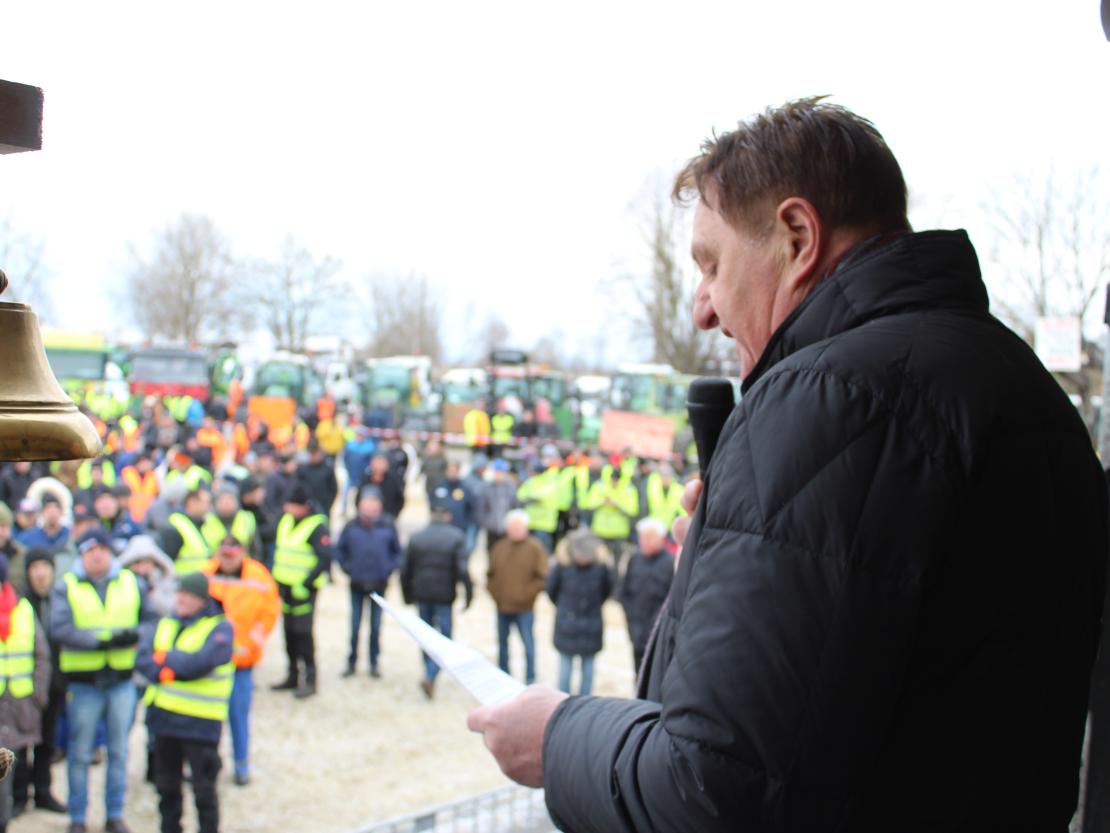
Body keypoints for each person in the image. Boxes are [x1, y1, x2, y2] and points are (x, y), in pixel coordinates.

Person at [466, 98, 1109, 831]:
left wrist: (556, 737)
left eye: (711, 264)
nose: (702, 309)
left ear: (798, 237)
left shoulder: (830, 393)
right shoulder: (1016, 381)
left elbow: (713, 791)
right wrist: (721, 578)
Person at [52, 527, 149, 833]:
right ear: (82, 555)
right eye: (90, 551)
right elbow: (60, 628)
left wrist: (135, 638)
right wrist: (102, 640)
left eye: (102, 550)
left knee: (119, 751)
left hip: (121, 680)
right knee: (80, 753)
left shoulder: (131, 582)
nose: (97, 556)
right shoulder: (66, 585)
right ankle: (78, 817)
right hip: (85, 682)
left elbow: (151, 620)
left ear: (110, 553)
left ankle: (114, 814)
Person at [136, 572, 233, 833]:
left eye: (188, 595)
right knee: (167, 790)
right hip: (164, 721)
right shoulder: (165, 622)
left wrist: (165, 662)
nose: (181, 600)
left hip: (200, 725)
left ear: (202, 599)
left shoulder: (220, 627)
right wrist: (169, 666)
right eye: (179, 594)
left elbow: (198, 663)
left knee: (204, 792)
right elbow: (143, 659)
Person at [201, 535, 279, 785]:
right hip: (211, 660)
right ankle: (206, 765)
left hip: (241, 660)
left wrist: (255, 640)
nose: (228, 561)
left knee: (238, 715)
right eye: (224, 555)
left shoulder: (258, 575)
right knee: (207, 717)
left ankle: (241, 764)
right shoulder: (204, 574)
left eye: (232, 556)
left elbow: (269, 612)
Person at [12, 548, 67, 816]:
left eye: (46, 565)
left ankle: (43, 791)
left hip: (54, 685)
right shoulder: (20, 602)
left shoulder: (61, 598)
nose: (41, 572)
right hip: (25, 687)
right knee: (21, 746)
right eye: (35, 567)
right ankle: (19, 796)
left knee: (47, 742)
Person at [0, 553, 52, 832]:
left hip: (18, 704)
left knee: (6, 775)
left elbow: (41, 656)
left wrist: (38, 696)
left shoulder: (22, 609)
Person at [400, 501, 472, 699]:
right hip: (444, 595)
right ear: (447, 516)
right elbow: (463, 570)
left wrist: (407, 595)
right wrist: (468, 594)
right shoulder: (456, 537)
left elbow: (404, 571)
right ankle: (431, 674)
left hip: (422, 593)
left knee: (425, 636)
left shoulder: (417, 537)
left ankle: (428, 672)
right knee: (445, 637)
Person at [270, 484, 332, 698]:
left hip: (304, 590)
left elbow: (324, 559)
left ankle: (310, 679)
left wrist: (306, 583)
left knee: (303, 634)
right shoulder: (286, 521)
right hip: (284, 588)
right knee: (288, 633)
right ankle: (292, 675)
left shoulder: (317, 526)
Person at [336, 491, 401, 678]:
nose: (369, 507)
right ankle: (351, 661)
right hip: (357, 582)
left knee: (375, 626)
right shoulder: (351, 525)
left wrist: (388, 569)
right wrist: (349, 568)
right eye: (366, 502)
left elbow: (397, 552)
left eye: (373, 502)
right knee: (355, 625)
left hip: (379, 584)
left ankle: (374, 662)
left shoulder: (387, 525)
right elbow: (340, 550)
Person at [545, 530, 613, 696]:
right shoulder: (562, 566)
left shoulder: (601, 568)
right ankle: (563, 701)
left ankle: (584, 703)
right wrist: (565, 609)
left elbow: (607, 590)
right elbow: (551, 590)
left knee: (588, 671)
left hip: (592, 624)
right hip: (567, 624)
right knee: (564, 671)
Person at [486, 510, 548, 685]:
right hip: (502, 605)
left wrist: (527, 595)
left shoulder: (535, 547)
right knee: (502, 644)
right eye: (512, 527)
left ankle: (530, 677)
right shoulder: (500, 547)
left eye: (519, 527)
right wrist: (495, 593)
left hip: (524, 607)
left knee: (528, 644)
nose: (516, 531)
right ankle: (503, 674)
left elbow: (543, 577)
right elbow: (490, 574)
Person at [616, 518, 674, 672]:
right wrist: (631, 615)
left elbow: (672, 599)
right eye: (642, 537)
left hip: (659, 631)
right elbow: (623, 591)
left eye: (649, 537)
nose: (644, 541)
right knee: (637, 672)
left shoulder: (670, 562)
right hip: (636, 627)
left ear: (661, 539)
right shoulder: (635, 558)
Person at [158, 489, 212, 576]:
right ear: (191, 502)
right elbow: (166, 561)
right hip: (180, 582)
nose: (208, 507)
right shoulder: (178, 525)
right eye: (206, 502)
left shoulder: (199, 525)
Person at [200, 486, 256, 553]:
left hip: (243, 562)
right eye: (222, 499)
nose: (226, 502)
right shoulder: (205, 519)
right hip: (214, 562)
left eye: (230, 498)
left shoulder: (246, 518)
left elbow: (255, 547)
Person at [480, 459, 518, 554]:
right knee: (491, 551)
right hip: (492, 526)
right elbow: (482, 507)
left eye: (501, 472)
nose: (499, 475)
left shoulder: (511, 486)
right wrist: (486, 522)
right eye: (497, 472)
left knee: (505, 552)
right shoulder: (487, 487)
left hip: (506, 526)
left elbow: (515, 505)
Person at [296, 439, 338, 519]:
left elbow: (333, 489)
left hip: (323, 507)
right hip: (306, 508)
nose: (315, 456)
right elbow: (298, 487)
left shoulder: (327, 469)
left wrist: (327, 504)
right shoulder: (303, 469)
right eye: (313, 454)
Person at [358, 454, 405, 520]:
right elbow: (358, 498)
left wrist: (394, 514)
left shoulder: (392, 480)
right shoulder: (366, 479)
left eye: (381, 463)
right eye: (377, 463)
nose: (379, 466)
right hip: (367, 518)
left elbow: (399, 500)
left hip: (387, 517)